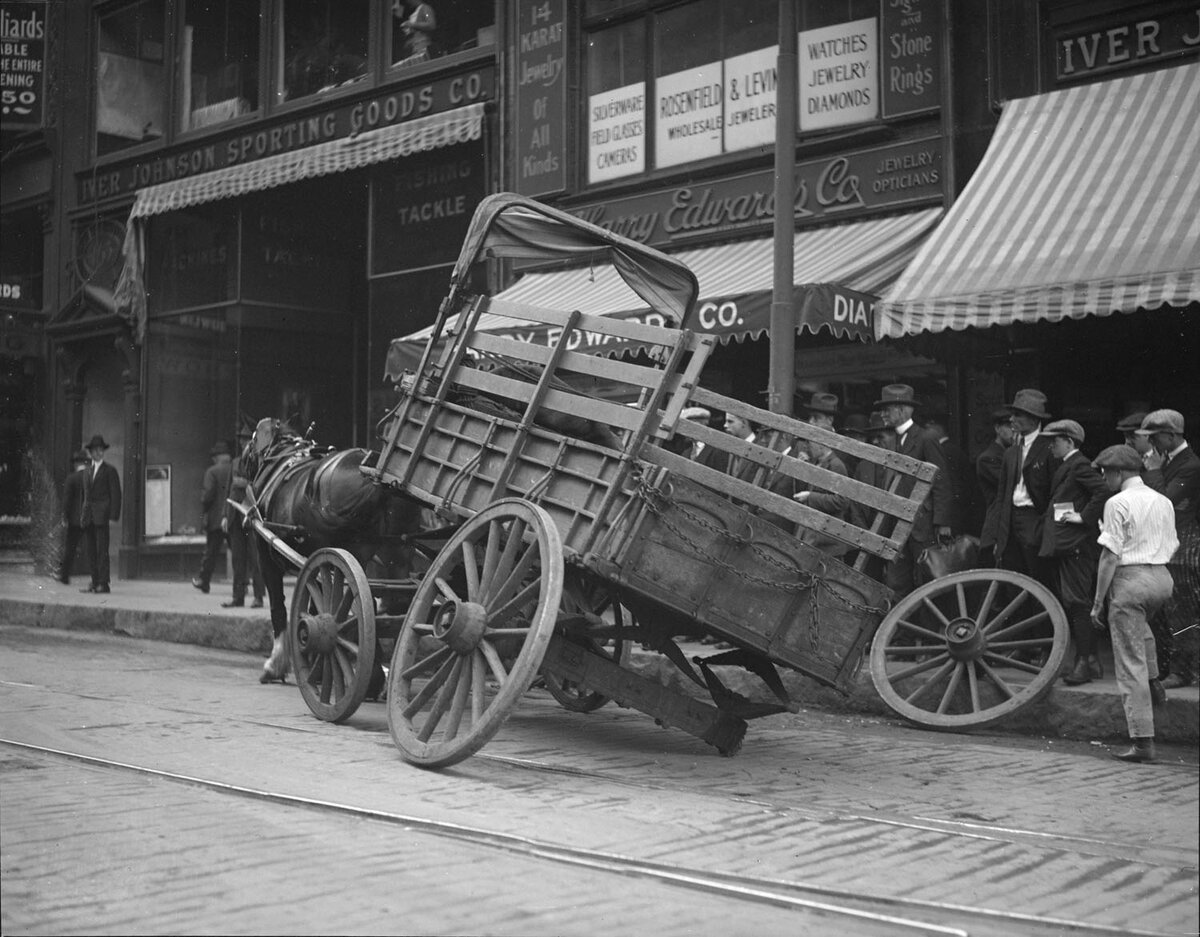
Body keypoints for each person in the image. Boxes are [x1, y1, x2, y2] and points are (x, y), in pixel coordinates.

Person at [1090, 444, 1178, 764]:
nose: (1103, 479)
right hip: (1162, 579)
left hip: (1132, 581)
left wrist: (1098, 602)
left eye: (1105, 473)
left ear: (1118, 473)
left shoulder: (1118, 502)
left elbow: (1110, 556)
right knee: (1140, 633)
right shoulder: (1163, 500)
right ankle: (1154, 682)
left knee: (1129, 663)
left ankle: (1142, 743)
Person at [1037, 420, 1109, 685]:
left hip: (1076, 545)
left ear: (1069, 441)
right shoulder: (1067, 464)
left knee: (1078, 603)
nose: (1051, 445)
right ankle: (1089, 662)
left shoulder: (1079, 464)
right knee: (1074, 602)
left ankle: (1085, 664)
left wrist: (1083, 518)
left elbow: (1103, 490)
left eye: (1055, 440)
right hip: (1067, 544)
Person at [1136, 409, 1200, 689]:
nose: (1152, 443)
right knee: (1164, 609)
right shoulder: (1168, 460)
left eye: (1155, 437)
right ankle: (1167, 667)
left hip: (1182, 542)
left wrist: (1152, 472)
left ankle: (1182, 672)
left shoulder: (1191, 465)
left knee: (1182, 609)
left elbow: (1162, 500)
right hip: (1167, 540)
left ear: (1171, 435)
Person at [876, 384, 952, 596]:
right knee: (897, 581)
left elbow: (941, 481)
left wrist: (942, 522)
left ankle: (929, 627)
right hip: (898, 525)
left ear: (902, 410)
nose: (883, 414)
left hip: (922, 525)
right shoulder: (892, 441)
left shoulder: (926, 438)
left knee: (927, 579)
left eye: (887, 409)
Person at [993, 389, 1057, 589]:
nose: (1011, 419)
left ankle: (1043, 621)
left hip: (1035, 521)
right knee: (1014, 581)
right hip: (1011, 522)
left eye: (1017, 415)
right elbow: (1002, 496)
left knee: (1038, 581)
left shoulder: (1049, 448)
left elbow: (1056, 492)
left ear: (1034, 419)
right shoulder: (1011, 452)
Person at [222, 434, 264, 608]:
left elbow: (258, 485)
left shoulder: (259, 462)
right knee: (237, 559)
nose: (243, 444)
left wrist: (244, 483)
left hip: (250, 513)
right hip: (234, 514)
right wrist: (224, 515)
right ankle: (237, 597)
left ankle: (258, 597)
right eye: (241, 441)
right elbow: (228, 489)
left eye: (247, 441)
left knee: (255, 558)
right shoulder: (235, 462)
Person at [80, 434, 121, 594]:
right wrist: (82, 515)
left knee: (102, 550)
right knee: (91, 550)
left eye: (101, 450)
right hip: (89, 515)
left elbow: (116, 494)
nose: (98, 453)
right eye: (95, 450)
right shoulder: (87, 471)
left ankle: (104, 583)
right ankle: (95, 580)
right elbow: (85, 496)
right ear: (90, 452)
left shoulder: (110, 470)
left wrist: (113, 516)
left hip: (102, 516)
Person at [192, 441, 233, 595]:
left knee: (211, 551)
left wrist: (204, 510)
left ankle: (204, 581)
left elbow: (207, 496)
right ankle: (244, 583)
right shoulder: (234, 469)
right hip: (233, 517)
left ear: (216, 457)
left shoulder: (212, 471)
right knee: (239, 552)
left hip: (216, 518)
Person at [977, 408, 1016, 566]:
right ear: (998, 429)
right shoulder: (988, 458)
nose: (1013, 431)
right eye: (1008, 426)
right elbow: (1010, 484)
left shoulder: (1012, 453)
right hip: (998, 525)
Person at [56, 450, 89, 585]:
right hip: (90, 518)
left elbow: (67, 501)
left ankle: (64, 576)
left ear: (76, 464)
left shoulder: (72, 478)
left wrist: (64, 516)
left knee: (70, 547)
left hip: (75, 520)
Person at [397, 0, 436, 64]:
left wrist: (412, 25)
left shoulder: (425, 8)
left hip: (422, 45)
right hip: (414, 48)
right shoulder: (415, 11)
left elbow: (431, 24)